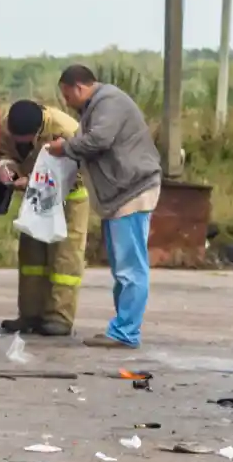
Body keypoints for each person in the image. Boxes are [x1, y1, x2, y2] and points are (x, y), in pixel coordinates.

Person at [50, 64, 164, 350]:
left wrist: (65, 148)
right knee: (122, 269)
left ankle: (126, 332)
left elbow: (99, 140)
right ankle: (121, 328)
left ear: (79, 87)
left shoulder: (108, 102)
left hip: (132, 191)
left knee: (131, 269)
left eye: (67, 95)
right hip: (119, 195)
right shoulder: (95, 107)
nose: (66, 102)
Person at [0, 100, 85, 336]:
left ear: (38, 131)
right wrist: (6, 167)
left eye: (26, 140)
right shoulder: (6, 127)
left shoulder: (66, 129)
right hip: (35, 195)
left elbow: (79, 167)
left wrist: (34, 180)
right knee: (31, 257)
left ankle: (59, 317)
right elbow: (3, 152)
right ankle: (29, 315)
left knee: (64, 258)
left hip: (70, 195)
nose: (21, 143)